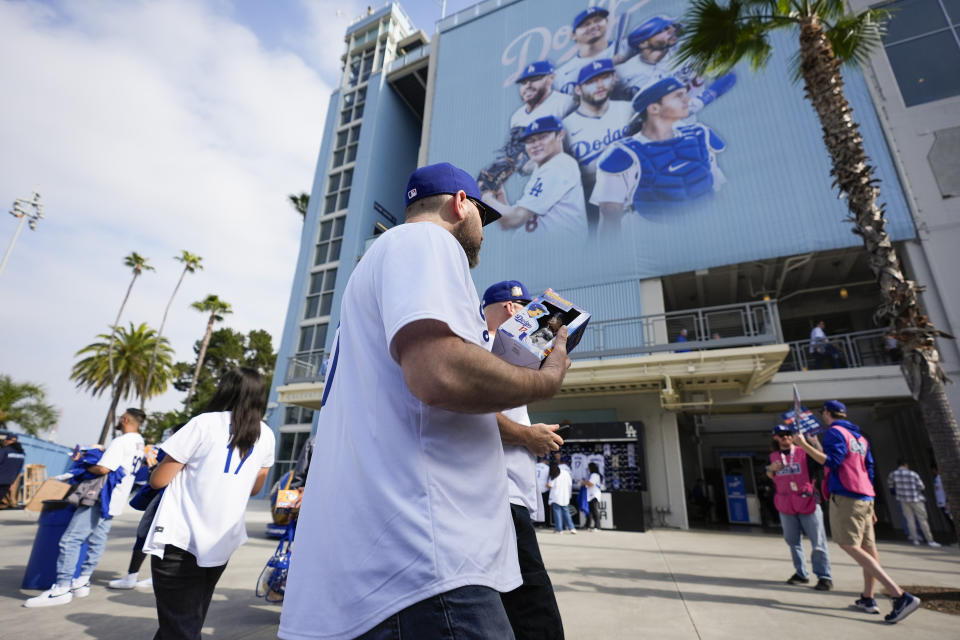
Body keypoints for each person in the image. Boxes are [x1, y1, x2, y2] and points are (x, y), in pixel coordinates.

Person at [278, 162, 572, 640]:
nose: (483, 231)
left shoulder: (378, 267)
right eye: (482, 216)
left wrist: (514, 355)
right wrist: (547, 377)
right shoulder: (426, 241)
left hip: (392, 567)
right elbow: (439, 373)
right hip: (426, 566)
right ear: (461, 204)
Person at [142, 367, 275, 640]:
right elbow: (256, 488)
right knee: (185, 618)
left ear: (226, 389)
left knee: (180, 625)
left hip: (181, 538)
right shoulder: (266, 435)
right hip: (221, 542)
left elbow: (159, 480)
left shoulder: (204, 423)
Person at [482, 279, 566, 639]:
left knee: (505, 599)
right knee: (532, 602)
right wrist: (527, 436)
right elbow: (473, 412)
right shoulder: (482, 343)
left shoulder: (509, 353)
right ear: (512, 310)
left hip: (505, 491)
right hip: (497, 491)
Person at [795, 401, 920, 624]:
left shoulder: (833, 432)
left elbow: (833, 463)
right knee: (868, 548)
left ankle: (898, 595)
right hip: (864, 495)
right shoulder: (860, 437)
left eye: (822, 414)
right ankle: (868, 597)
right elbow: (866, 468)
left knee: (848, 544)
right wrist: (870, 500)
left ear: (826, 413)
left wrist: (804, 445)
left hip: (846, 495)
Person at [25, 409, 146, 607]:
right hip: (116, 499)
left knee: (71, 540)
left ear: (125, 419)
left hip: (101, 496)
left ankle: (62, 589)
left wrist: (83, 461)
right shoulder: (139, 442)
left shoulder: (122, 441)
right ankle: (82, 581)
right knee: (97, 539)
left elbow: (104, 468)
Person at [591, 77, 726, 234]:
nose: (687, 100)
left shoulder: (701, 135)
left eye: (684, 94)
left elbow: (717, 191)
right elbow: (609, 217)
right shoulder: (621, 155)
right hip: (652, 241)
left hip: (708, 233)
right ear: (654, 108)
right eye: (678, 96)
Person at [482, 115, 587, 235]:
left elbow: (514, 220)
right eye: (530, 141)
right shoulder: (543, 167)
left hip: (558, 250)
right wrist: (500, 196)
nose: (535, 144)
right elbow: (506, 223)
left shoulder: (558, 166)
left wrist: (486, 198)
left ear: (560, 135)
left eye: (542, 137)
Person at [766, 425, 832, 590]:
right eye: (781, 435)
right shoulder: (773, 456)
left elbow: (822, 460)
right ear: (775, 438)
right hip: (786, 504)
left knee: (818, 541)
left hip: (807, 501)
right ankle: (801, 573)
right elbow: (769, 475)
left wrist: (813, 444)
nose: (786, 437)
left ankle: (824, 576)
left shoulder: (804, 452)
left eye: (788, 434)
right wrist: (769, 469)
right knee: (793, 541)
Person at [555, 7, 616, 95]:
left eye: (597, 20)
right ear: (573, 35)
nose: (593, 26)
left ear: (606, 22)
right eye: (585, 24)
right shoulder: (562, 74)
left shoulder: (626, 48)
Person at [887, 459, 940, 547]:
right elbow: (921, 486)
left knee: (909, 520)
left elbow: (890, 486)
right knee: (923, 520)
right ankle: (930, 540)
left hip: (903, 499)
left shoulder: (893, 474)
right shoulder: (913, 474)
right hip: (916, 499)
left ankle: (915, 539)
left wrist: (897, 493)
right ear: (905, 465)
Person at [547, 461, 576, 534]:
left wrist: (546, 484)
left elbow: (550, 486)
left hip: (556, 497)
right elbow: (570, 484)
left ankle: (559, 529)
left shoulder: (554, 474)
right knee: (566, 512)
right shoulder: (566, 473)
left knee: (557, 513)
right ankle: (572, 528)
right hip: (565, 496)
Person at [0, 432, 26, 505]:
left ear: (8, 441)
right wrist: (12, 482)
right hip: (8, 482)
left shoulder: (5, 450)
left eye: (5, 440)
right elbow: (19, 469)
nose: (4, 442)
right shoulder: (22, 453)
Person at [931, 463, 953, 530]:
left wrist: (947, 501)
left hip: (946, 503)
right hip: (942, 503)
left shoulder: (942, 478)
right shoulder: (937, 479)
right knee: (950, 520)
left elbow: (947, 489)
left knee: (952, 520)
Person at [583, 461, 604, 530]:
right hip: (591, 495)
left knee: (594, 511)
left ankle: (597, 526)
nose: (588, 469)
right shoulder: (593, 475)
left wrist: (583, 482)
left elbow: (591, 484)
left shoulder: (594, 475)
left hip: (594, 495)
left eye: (589, 468)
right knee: (591, 511)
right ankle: (588, 525)